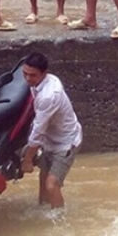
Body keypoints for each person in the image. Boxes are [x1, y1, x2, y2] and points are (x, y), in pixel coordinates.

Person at [21, 52, 83, 209]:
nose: (28, 79)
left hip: (66, 142)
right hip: (50, 139)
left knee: (51, 184)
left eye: (32, 75)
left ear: (44, 73)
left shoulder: (49, 95)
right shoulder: (42, 82)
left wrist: (27, 160)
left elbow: (37, 133)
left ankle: (58, 223)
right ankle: (43, 212)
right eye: (25, 74)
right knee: (43, 178)